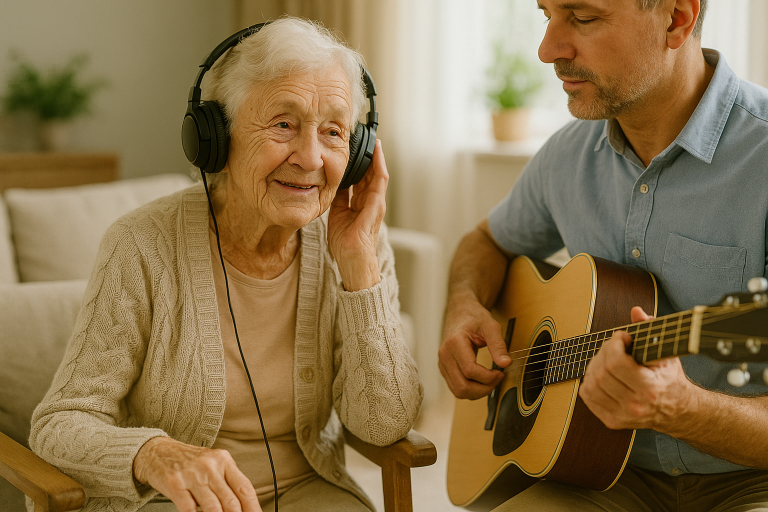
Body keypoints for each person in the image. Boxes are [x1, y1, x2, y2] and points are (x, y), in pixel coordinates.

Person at [29, 17, 422, 512]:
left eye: (333, 132)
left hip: (308, 493)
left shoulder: (356, 243)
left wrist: (359, 267)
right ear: (214, 137)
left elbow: (385, 425)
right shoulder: (141, 245)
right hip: (172, 502)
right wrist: (153, 454)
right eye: (283, 124)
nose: (310, 157)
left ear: (360, 152)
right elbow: (60, 422)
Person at [439, 0, 768, 510]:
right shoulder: (566, 156)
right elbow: (486, 242)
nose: (548, 50)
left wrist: (684, 409)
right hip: (596, 475)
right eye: (546, 15)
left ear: (676, 19)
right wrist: (463, 303)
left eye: (584, 18)